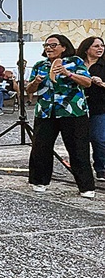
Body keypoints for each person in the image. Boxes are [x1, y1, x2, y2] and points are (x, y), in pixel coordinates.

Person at [26, 34, 95, 197]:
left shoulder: (75, 62)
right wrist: (36, 81)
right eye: (46, 45)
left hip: (72, 112)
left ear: (64, 47)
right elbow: (29, 90)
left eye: (53, 45)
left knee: (78, 148)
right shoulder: (40, 65)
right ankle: (39, 181)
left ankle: (86, 186)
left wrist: (67, 73)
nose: (48, 48)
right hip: (46, 112)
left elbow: (87, 82)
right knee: (41, 147)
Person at [78, 36, 105, 181]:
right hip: (78, 107)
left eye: (102, 46)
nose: (100, 48)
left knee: (98, 138)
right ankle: (82, 169)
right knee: (80, 140)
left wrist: (101, 83)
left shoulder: (103, 65)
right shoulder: (77, 63)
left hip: (99, 107)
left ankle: (101, 167)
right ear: (87, 48)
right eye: (96, 46)